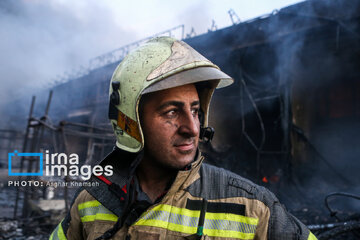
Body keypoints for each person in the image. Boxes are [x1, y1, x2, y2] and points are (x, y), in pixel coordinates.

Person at [50, 37, 317, 240]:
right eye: (171, 112)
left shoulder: (252, 206)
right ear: (130, 120)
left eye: (195, 111)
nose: (193, 128)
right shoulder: (89, 201)